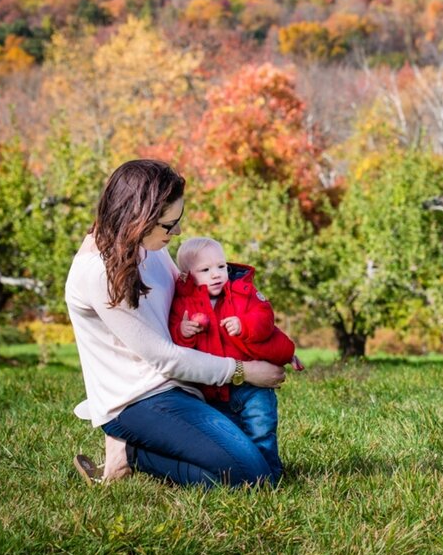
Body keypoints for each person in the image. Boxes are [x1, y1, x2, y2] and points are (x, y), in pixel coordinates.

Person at [66, 160, 286, 487]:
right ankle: (131, 452)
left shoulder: (146, 245)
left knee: (255, 458)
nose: (178, 232)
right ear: (138, 219)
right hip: (139, 400)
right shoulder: (97, 273)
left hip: (183, 384)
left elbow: (188, 298)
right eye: (170, 225)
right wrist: (244, 370)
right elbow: (165, 358)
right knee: (254, 478)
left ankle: (145, 450)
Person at [170, 236, 301, 477]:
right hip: (214, 390)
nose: (216, 274)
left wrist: (245, 325)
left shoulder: (243, 292)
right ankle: (244, 473)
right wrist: (185, 332)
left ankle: (270, 474)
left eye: (221, 266)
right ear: (188, 275)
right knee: (231, 435)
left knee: (262, 428)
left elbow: (265, 320)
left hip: (253, 386)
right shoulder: (183, 303)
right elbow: (176, 347)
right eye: (205, 270)